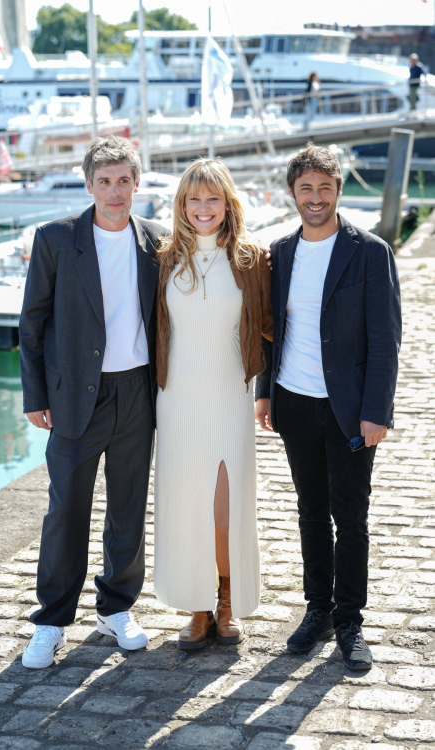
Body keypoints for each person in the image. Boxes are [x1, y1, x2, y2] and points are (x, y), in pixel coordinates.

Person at [18, 135, 169, 668]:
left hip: (136, 392)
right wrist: (35, 395)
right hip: (75, 396)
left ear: (136, 184)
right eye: (104, 182)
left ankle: (116, 608)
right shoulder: (57, 239)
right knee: (66, 511)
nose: (115, 191)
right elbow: (32, 322)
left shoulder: (156, 240)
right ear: (89, 186)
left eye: (124, 181)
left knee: (127, 507)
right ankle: (53, 620)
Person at [255, 145, 401, 671]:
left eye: (324, 187)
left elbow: (386, 339)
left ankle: (349, 620)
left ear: (338, 190)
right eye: (305, 189)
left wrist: (376, 411)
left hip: (349, 410)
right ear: (292, 193)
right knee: (310, 513)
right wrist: (265, 391)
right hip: (294, 402)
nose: (315, 198)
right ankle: (316, 610)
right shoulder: (281, 252)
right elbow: (274, 332)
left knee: (351, 517)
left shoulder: (369, 252)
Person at [154, 157, 273, 651]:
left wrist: (266, 394)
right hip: (177, 398)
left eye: (213, 198)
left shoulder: (251, 260)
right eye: (194, 199)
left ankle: (227, 600)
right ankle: (198, 607)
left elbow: (269, 331)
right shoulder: (164, 260)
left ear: (228, 204)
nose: (204, 208)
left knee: (224, 508)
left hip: (229, 394)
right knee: (186, 506)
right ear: (182, 205)